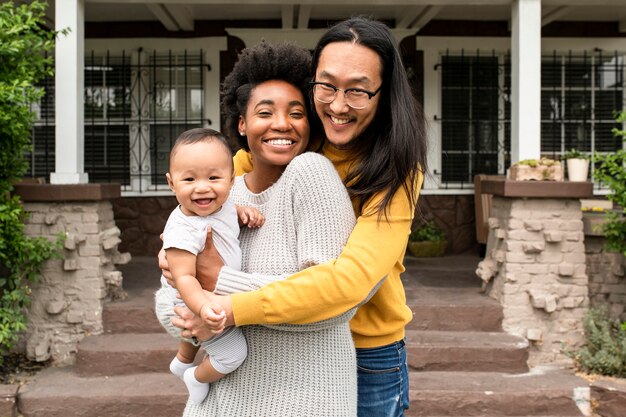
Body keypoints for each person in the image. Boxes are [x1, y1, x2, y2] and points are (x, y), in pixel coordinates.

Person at [171, 16, 428, 417]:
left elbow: (348, 285)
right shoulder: (289, 141)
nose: (338, 105)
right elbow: (204, 206)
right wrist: (178, 253)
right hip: (278, 346)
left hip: (365, 350)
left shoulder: (395, 169)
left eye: (358, 91)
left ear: (383, 94)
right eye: (327, 86)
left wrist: (222, 298)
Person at [161, 41, 358, 416]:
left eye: (296, 113)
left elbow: (334, 305)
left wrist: (220, 284)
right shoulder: (218, 192)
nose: (281, 124)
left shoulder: (310, 175)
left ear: (309, 123)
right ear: (242, 123)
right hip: (217, 404)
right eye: (265, 112)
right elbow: (167, 302)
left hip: (302, 402)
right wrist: (194, 320)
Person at [154, 128, 263, 404]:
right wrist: (203, 309)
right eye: (189, 179)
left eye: (213, 178)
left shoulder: (221, 205)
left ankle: (182, 361)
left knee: (199, 337)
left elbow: (226, 216)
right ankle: (196, 377)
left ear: (231, 180)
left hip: (202, 294)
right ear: (171, 183)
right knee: (233, 354)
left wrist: (241, 212)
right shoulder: (182, 230)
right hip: (186, 298)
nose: (202, 187)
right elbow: (185, 279)